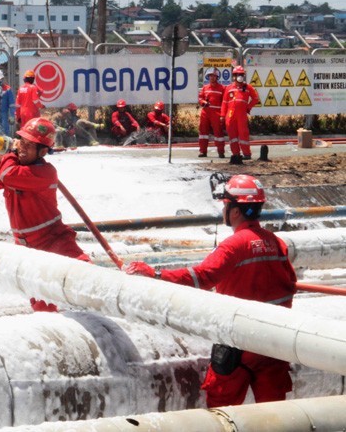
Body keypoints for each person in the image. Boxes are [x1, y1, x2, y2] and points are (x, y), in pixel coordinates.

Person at [125, 174, 296, 408]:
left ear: (235, 211)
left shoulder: (235, 245)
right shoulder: (275, 242)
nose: (223, 210)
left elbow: (201, 277)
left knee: (222, 412)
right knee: (276, 416)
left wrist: (154, 274)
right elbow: (289, 286)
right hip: (275, 342)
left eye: (225, 205)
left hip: (239, 341)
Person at [0, 117, 91, 312]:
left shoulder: (44, 172)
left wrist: (10, 152)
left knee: (88, 280)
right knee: (42, 306)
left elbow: (8, 176)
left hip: (54, 242)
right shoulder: (14, 168)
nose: (22, 147)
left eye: (29, 145)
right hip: (27, 248)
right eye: (22, 141)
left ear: (43, 151)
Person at [221, 66, 260, 165]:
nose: (240, 76)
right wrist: (222, 115)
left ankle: (247, 153)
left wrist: (248, 107)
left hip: (241, 114)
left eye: (241, 74)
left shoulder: (248, 87)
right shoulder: (229, 88)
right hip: (230, 114)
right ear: (233, 76)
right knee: (232, 135)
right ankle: (236, 154)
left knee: (243, 133)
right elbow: (224, 102)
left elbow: (255, 98)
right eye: (238, 74)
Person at [198, 67, 226, 158]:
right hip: (205, 113)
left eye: (214, 76)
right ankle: (203, 151)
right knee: (203, 133)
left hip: (217, 113)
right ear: (208, 77)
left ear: (217, 77)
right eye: (210, 76)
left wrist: (222, 114)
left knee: (218, 133)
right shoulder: (205, 88)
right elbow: (200, 98)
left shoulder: (222, 88)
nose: (212, 78)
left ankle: (221, 152)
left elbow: (224, 102)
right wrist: (203, 102)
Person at [0, 69, 16, 137]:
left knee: (4, 133)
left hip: (4, 114)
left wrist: (12, 115)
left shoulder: (7, 89)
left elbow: (12, 104)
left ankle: (4, 146)